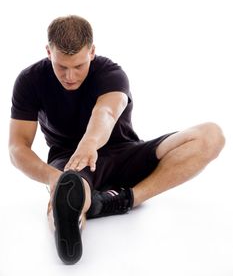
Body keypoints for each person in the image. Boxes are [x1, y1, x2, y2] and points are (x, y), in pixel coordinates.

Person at [9, 15, 225, 265]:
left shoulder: (110, 72)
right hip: (71, 165)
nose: (70, 76)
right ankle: (70, 217)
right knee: (66, 193)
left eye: (78, 66)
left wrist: (90, 143)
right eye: (62, 67)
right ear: (49, 52)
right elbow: (17, 147)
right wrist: (52, 177)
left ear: (92, 52)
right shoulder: (30, 81)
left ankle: (127, 199)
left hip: (127, 154)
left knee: (211, 135)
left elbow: (107, 112)